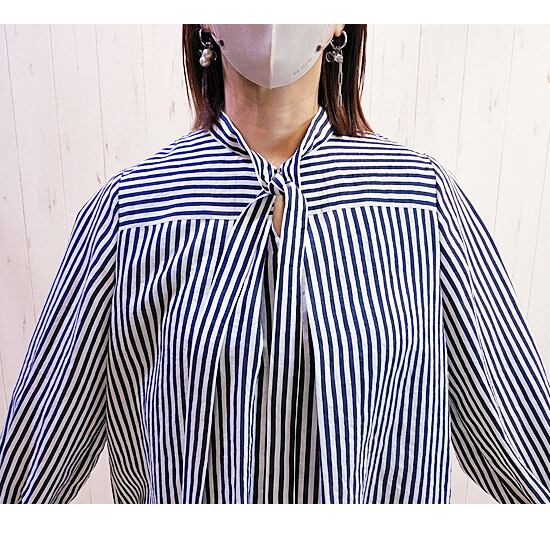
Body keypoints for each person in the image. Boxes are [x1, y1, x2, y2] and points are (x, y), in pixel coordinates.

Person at [0, 24, 549, 504]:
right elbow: (32, 467)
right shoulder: (131, 213)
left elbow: (521, 436)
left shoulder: (420, 203)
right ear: (205, 20)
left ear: (341, 23)